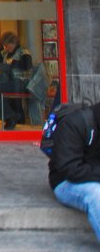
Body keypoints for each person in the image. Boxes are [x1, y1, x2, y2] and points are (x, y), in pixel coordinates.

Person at [49, 101, 100, 242]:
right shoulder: (74, 123)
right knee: (96, 194)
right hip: (66, 182)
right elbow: (70, 169)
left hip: (93, 176)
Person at [0, 31, 32, 130]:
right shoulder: (5, 53)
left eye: (7, 45)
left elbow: (28, 66)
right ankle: (10, 116)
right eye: (4, 46)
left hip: (21, 83)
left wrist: (15, 64)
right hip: (9, 82)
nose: (6, 48)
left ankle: (10, 116)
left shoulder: (23, 51)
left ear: (13, 42)